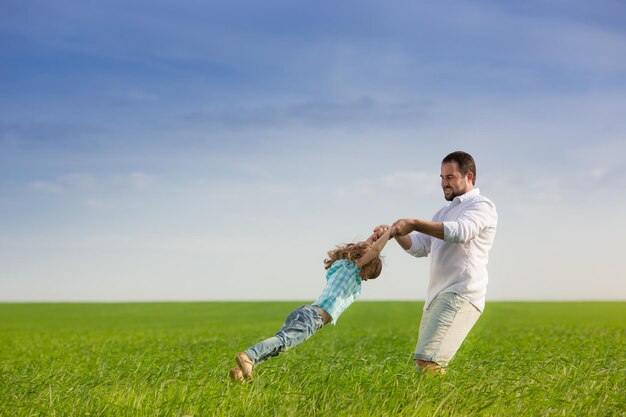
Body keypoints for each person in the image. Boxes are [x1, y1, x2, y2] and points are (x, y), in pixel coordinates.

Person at [375, 151, 497, 376]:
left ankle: (442, 408)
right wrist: (395, 233)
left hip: (461, 292)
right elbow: (420, 247)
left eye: (449, 177)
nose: (444, 183)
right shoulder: (443, 212)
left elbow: (461, 232)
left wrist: (414, 223)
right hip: (437, 296)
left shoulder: (481, 206)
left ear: (469, 176)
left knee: (428, 361)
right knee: (427, 362)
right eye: (441, 178)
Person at [230, 227, 393, 381]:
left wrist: (373, 237)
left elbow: (363, 250)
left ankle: (239, 371)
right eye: (369, 274)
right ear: (365, 264)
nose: (365, 279)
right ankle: (248, 356)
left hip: (307, 313)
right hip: (313, 318)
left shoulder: (342, 266)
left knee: (280, 345)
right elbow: (374, 251)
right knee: (283, 341)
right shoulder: (352, 270)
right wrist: (391, 232)